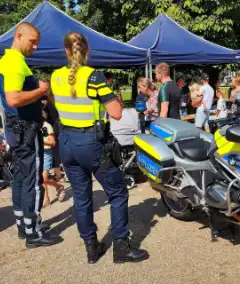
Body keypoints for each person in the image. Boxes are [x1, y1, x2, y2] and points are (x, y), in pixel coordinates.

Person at [51, 32, 149, 264]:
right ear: (87, 51)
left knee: (81, 197)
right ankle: (121, 248)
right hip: (91, 142)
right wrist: (112, 96)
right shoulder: (94, 77)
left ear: (66, 51)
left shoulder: (55, 76)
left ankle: (92, 248)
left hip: (67, 141)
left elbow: (57, 104)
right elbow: (115, 112)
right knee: (117, 193)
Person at [0, 22, 62, 247]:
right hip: (25, 128)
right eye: (32, 41)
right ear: (18, 36)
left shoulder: (6, 60)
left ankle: (23, 225)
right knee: (33, 180)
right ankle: (33, 232)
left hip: (15, 129)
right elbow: (13, 99)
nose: (35, 47)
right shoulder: (15, 62)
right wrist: (41, 91)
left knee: (19, 177)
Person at [41, 110, 65, 208]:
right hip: (37, 154)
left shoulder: (47, 126)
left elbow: (52, 143)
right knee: (40, 179)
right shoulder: (32, 126)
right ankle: (58, 186)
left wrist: (41, 141)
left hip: (46, 153)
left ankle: (46, 198)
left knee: (44, 178)